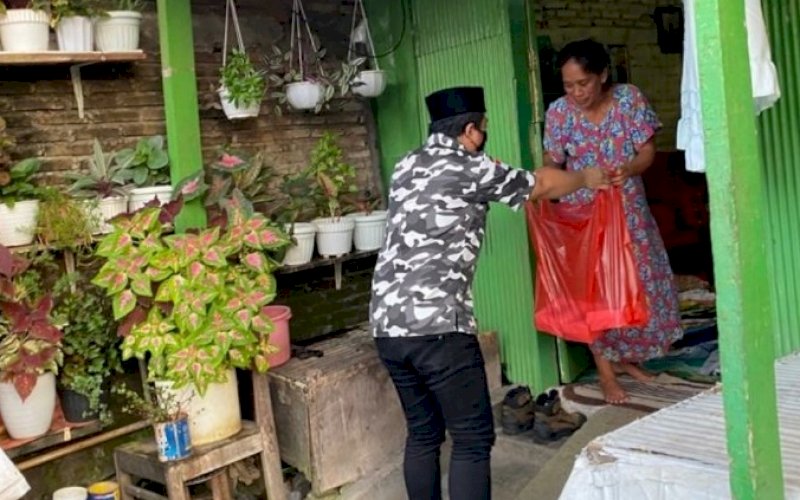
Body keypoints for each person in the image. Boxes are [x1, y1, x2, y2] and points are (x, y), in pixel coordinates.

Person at [370, 86, 608, 500]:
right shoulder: (469, 166)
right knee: (472, 437)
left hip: (388, 327)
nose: (484, 136)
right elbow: (543, 185)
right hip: (439, 328)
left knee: (424, 433)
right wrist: (587, 177)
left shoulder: (406, 163)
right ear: (469, 131)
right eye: (483, 129)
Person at [542, 38, 683, 404]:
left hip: (629, 214)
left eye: (583, 83)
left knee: (636, 287)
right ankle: (606, 373)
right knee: (595, 296)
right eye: (569, 85)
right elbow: (552, 162)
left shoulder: (628, 99)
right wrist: (545, 193)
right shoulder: (559, 113)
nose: (576, 92)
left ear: (603, 75)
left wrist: (628, 168)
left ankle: (626, 360)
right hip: (582, 220)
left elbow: (646, 151)